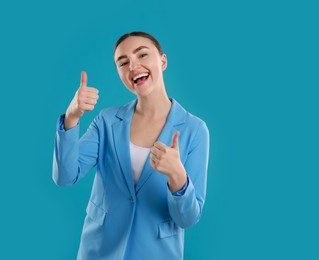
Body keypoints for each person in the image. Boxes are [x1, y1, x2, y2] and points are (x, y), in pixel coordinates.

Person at [53, 31, 210, 259]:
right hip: (98, 252)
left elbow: (187, 219)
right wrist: (71, 117)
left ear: (162, 61)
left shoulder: (195, 130)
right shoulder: (106, 121)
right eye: (123, 62)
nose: (133, 66)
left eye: (142, 55)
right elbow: (65, 176)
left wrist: (178, 176)